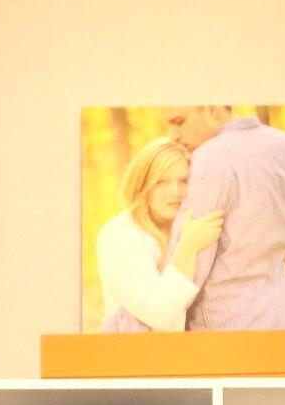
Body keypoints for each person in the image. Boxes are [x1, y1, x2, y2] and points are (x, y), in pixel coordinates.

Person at [164, 105, 285, 330]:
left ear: (213, 109)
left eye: (179, 121)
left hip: (225, 331)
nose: (173, 135)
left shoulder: (208, 158)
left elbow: (187, 274)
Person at [93, 137, 220, 332]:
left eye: (184, 181)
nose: (175, 192)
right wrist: (187, 247)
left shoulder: (188, 224)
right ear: (142, 184)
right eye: (161, 182)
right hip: (134, 356)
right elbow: (160, 315)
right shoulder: (119, 235)